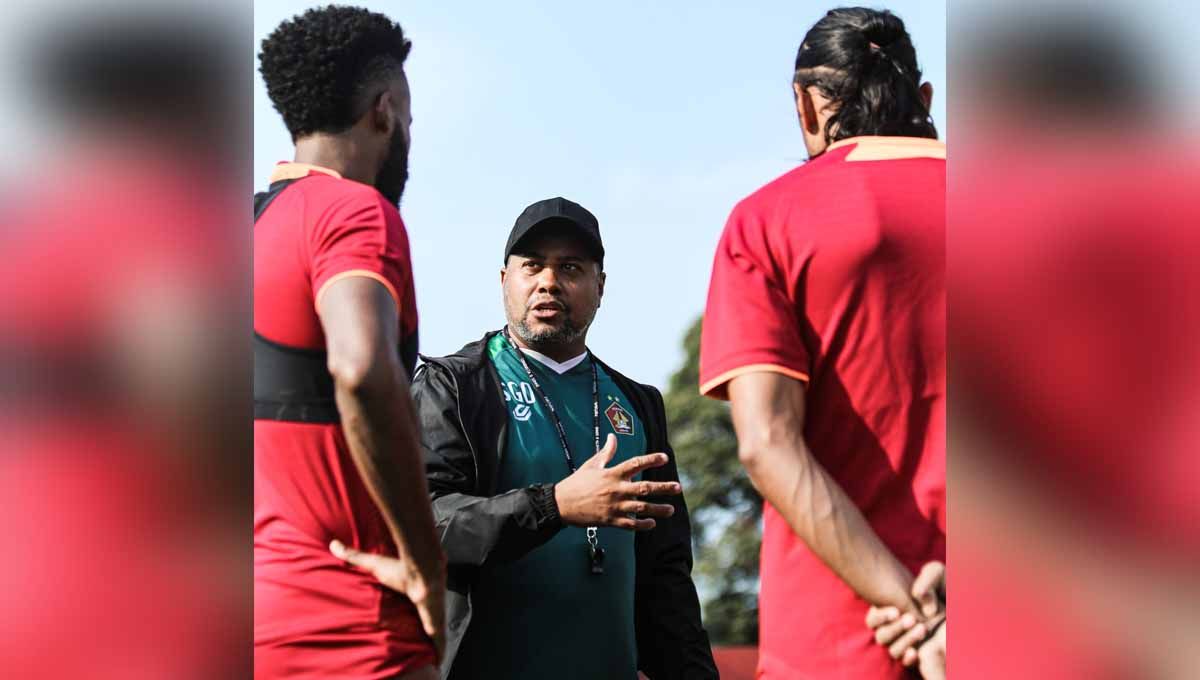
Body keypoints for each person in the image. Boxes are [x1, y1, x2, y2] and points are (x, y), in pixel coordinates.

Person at [698, 7, 946, 679]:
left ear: (806, 106)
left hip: (840, 641)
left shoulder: (768, 221)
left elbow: (766, 442)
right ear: (923, 100)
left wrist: (915, 613)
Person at [408, 197, 717, 679]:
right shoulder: (455, 385)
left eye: (570, 267)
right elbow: (422, 525)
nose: (549, 281)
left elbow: (666, 579)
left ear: (600, 286)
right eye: (532, 266)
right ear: (504, 280)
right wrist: (554, 504)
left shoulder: (637, 404)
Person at [254, 7, 445, 679]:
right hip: (354, 635)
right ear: (384, 110)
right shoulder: (356, 213)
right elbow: (361, 368)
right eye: (412, 121)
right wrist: (426, 568)